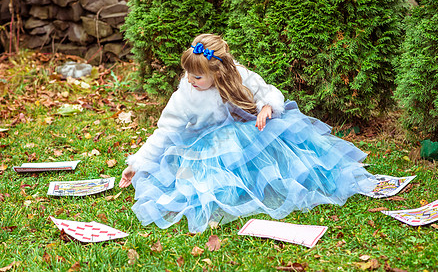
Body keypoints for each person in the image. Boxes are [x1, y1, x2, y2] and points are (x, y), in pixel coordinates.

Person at [119, 33, 375, 233]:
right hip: (209, 145)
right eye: (187, 74)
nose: (189, 80)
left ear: (216, 71)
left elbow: (267, 91)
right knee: (211, 180)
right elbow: (164, 132)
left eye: (196, 76)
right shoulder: (185, 96)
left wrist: (266, 107)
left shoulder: (237, 74)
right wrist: (137, 163)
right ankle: (233, 191)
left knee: (275, 139)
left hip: (249, 131)